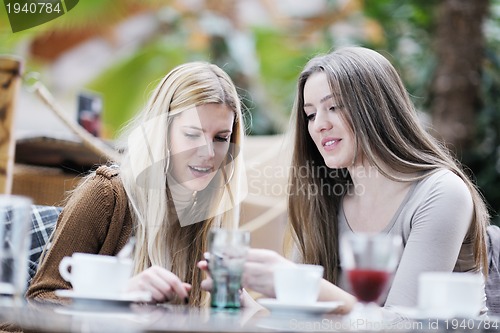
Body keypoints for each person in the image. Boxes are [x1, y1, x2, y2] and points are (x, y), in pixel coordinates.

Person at [240, 46, 490, 314]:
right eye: (311, 114)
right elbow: (298, 320)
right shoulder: (325, 198)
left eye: (333, 107)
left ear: (375, 108)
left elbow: (404, 327)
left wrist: (308, 286)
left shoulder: (440, 193)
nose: (319, 125)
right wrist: (247, 309)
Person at [27, 61, 246, 307]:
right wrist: (118, 297)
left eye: (221, 138)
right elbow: (39, 299)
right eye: (192, 134)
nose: (208, 152)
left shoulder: (206, 219)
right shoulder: (107, 194)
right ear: (162, 131)